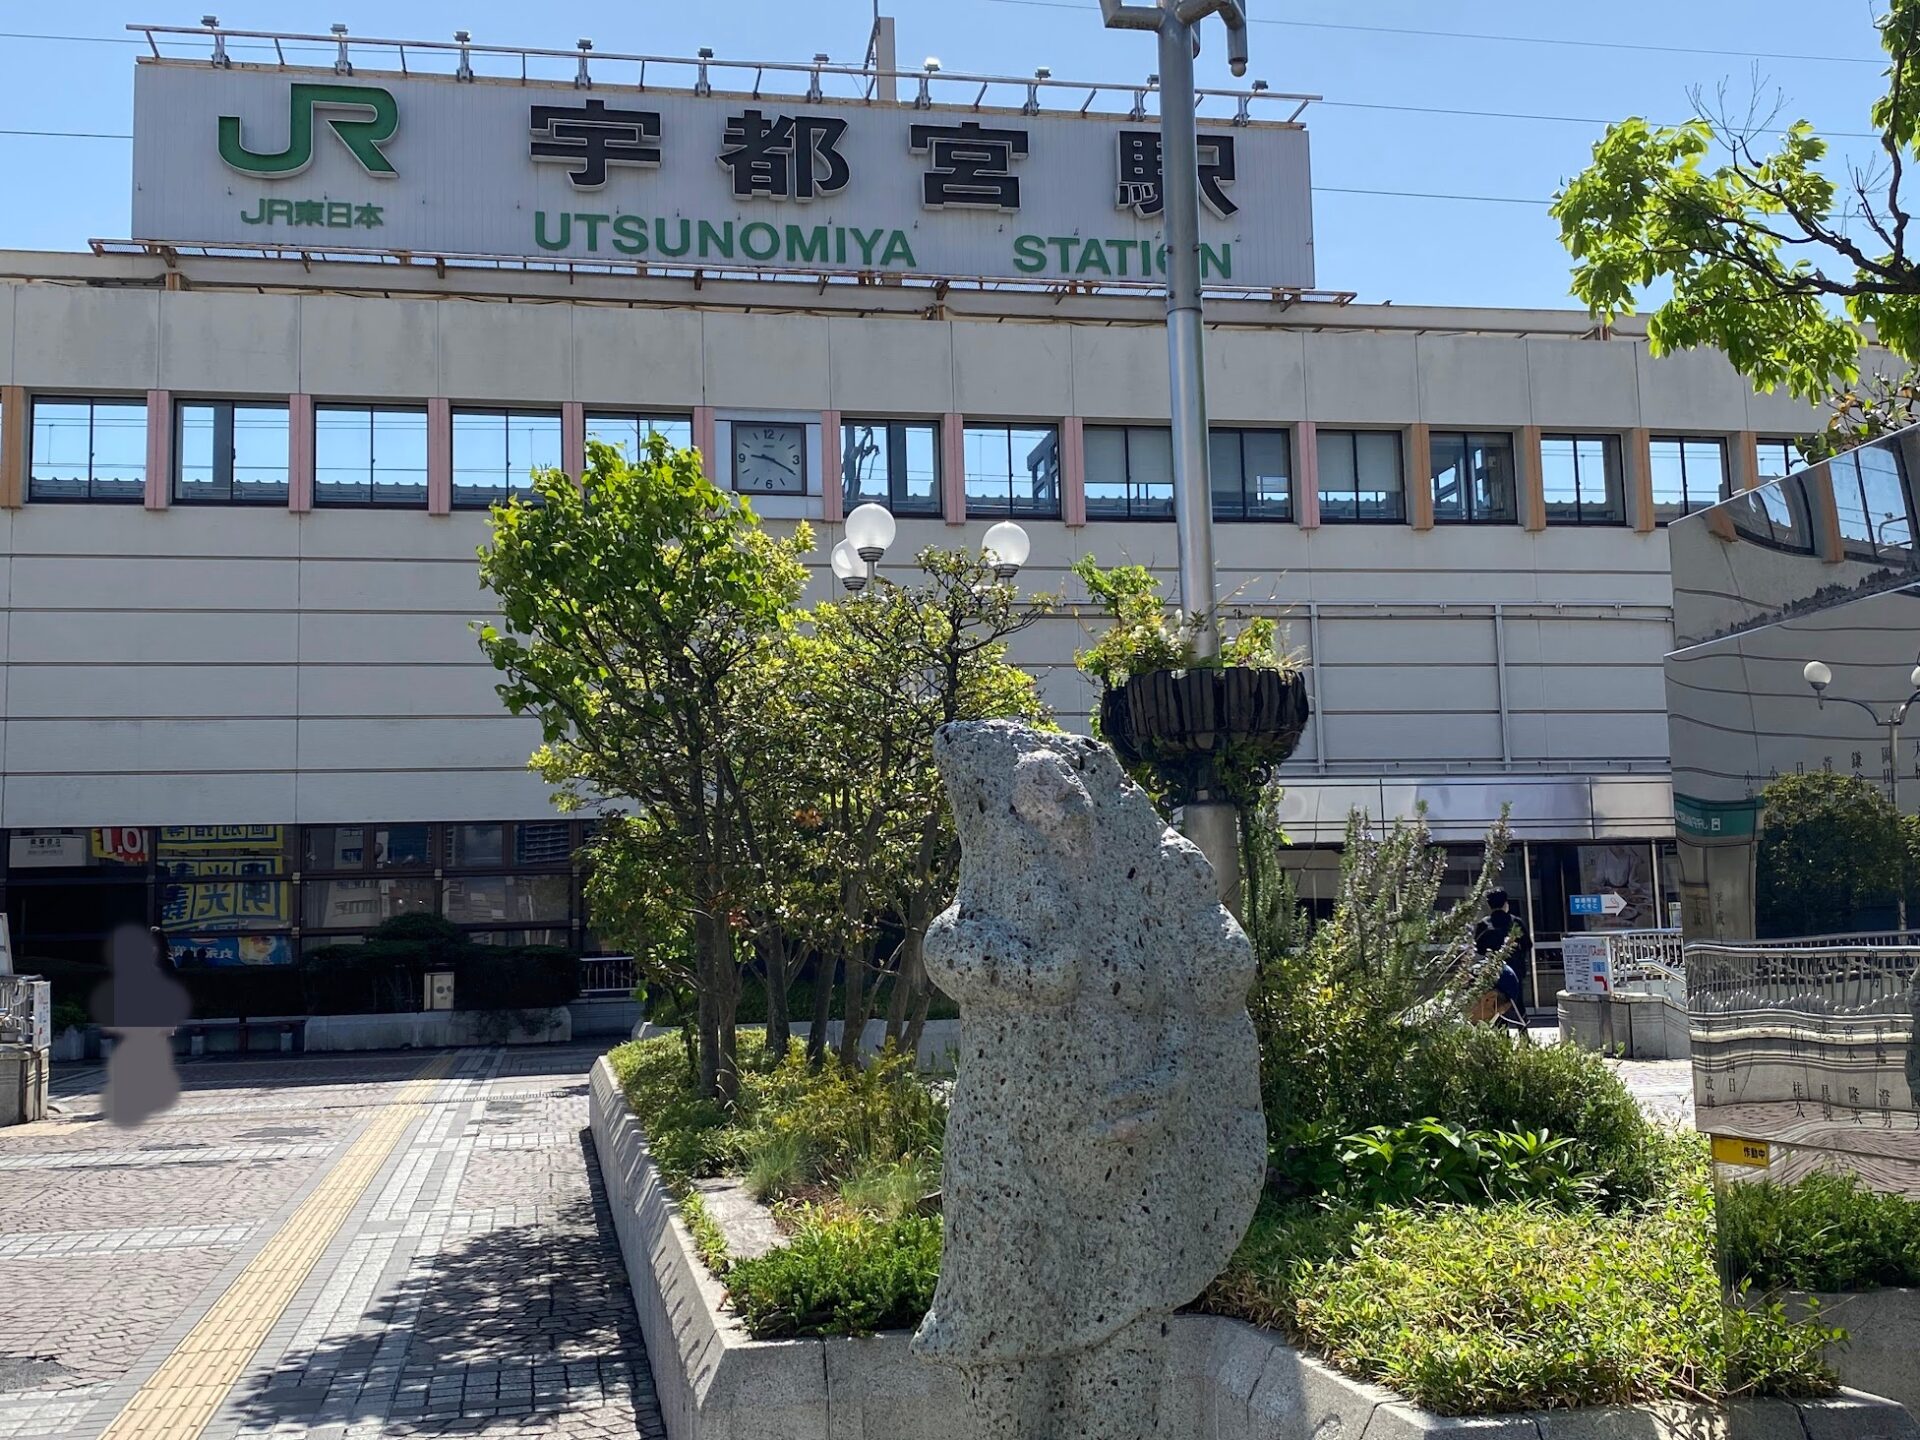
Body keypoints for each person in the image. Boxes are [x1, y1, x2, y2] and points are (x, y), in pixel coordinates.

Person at [1474, 888, 1530, 1033]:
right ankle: (1524, 1038)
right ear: (1506, 903)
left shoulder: (1484, 924)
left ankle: (1502, 1039)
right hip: (1515, 971)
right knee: (1518, 1005)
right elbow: (1527, 945)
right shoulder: (1515, 922)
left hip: (1493, 974)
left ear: (1489, 905)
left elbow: (1479, 949)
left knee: (1496, 1006)